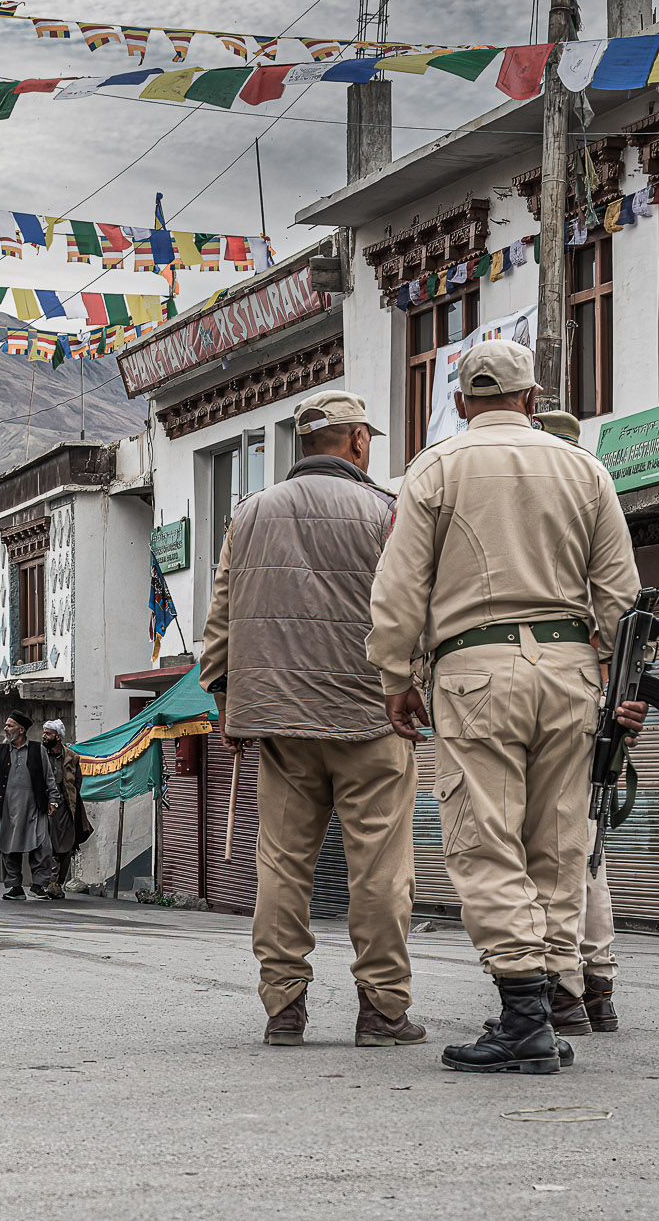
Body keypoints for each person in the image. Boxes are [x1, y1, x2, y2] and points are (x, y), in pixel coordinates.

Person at [367, 340, 648, 1075]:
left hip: (474, 672)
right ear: (531, 398)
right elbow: (621, 595)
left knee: (485, 839)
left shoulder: (433, 468)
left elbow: (398, 588)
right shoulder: (585, 469)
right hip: (570, 669)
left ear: (462, 402)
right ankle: (549, 1002)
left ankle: (523, 1017)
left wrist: (395, 675)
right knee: (559, 842)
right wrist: (623, 689)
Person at [196, 390, 424, 1051]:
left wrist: (226, 702)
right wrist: (417, 684)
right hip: (370, 717)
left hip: (281, 723)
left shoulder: (249, 513)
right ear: (357, 441)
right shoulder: (388, 511)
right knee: (380, 870)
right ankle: (381, 1011)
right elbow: (415, 608)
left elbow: (221, 619)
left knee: (281, 866)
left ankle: (284, 1009)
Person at [533, 407, 622, 1036]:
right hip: (588, 698)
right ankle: (597, 987)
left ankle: (566, 986)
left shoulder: (544, 516)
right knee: (585, 853)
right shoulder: (594, 502)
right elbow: (621, 610)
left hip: (563, 695)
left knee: (560, 853)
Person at [0, 710, 61, 900]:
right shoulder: (1, 751)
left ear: (21, 730)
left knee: (42, 847)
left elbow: (49, 777)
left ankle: (38, 886)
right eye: (6, 725)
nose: (6, 729)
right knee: (8, 848)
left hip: (35, 809)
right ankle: (15, 888)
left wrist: (53, 799)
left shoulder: (38, 750)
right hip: (9, 810)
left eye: (10, 726)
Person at [38, 721, 83, 900]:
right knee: (47, 846)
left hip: (64, 808)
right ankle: (49, 881)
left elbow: (77, 783)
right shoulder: (40, 755)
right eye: (44, 733)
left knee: (66, 846)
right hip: (44, 806)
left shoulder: (72, 757)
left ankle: (57, 883)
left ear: (57, 736)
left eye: (48, 733)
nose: (44, 736)